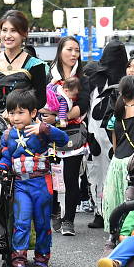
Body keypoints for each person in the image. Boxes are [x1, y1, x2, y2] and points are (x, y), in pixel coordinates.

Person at [0, 90, 68, 267]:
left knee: (42, 222)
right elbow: (6, 157)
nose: (15, 117)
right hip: (20, 184)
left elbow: (64, 139)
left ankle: (41, 260)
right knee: (21, 222)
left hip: (42, 183)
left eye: (21, 112)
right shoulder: (7, 134)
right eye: (12, 113)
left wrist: (45, 129)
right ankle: (18, 262)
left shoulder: (41, 130)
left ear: (33, 112)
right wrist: (0, 168)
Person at [48, 36, 91, 236]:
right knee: (48, 173)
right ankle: (54, 209)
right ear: (60, 51)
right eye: (69, 50)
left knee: (71, 177)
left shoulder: (83, 78)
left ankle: (69, 219)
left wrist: (55, 118)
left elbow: (82, 106)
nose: (74, 54)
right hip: (48, 135)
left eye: (77, 50)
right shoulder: (49, 75)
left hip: (73, 133)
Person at [84, 40, 128, 230]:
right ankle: (99, 211)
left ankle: (115, 212)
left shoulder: (127, 84)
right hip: (96, 134)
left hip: (115, 135)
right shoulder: (96, 82)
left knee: (116, 173)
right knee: (95, 170)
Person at [102, 76, 134, 228]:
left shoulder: (115, 116)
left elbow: (114, 146)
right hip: (133, 163)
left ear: (122, 94)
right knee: (133, 201)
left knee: (116, 201)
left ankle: (115, 230)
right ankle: (131, 229)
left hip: (116, 163)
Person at [0, 10, 47, 114]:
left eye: (13, 30)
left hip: (23, 124)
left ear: (24, 34)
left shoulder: (35, 65)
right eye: (4, 30)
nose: (8, 35)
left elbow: (40, 99)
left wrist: (15, 111)